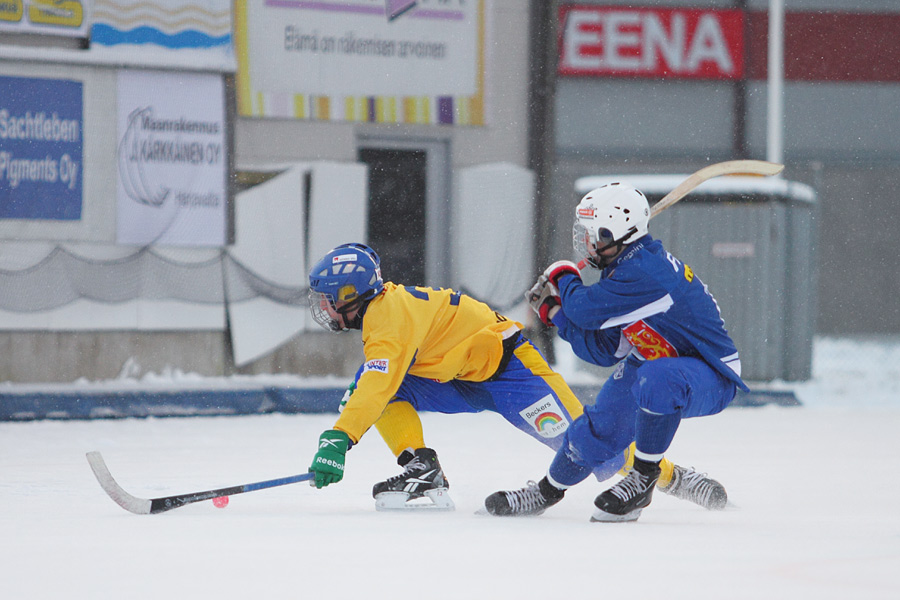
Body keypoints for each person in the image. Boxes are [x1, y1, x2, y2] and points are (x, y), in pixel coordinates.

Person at [305, 242, 728, 512]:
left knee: (588, 444)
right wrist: (345, 431)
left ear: (350, 295)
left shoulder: (386, 319)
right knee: (370, 387)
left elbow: (379, 382)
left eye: (327, 299)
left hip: (510, 372)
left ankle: (673, 476)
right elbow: (376, 385)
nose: (322, 308)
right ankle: (421, 466)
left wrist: (338, 439)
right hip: (456, 376)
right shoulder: (382, 312)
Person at [485, 182, 744, 522]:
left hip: (709, 374)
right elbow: (603, 350)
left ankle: (644, 477)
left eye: (594, 234)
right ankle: (547, 490)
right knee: (599, 427)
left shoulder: (647, 272)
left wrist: (563, 277)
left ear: (616, 232)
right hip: (655, 362)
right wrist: (555, 314)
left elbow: (583, 308)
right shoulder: (623, 271)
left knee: (658, 378)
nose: (588, 243)